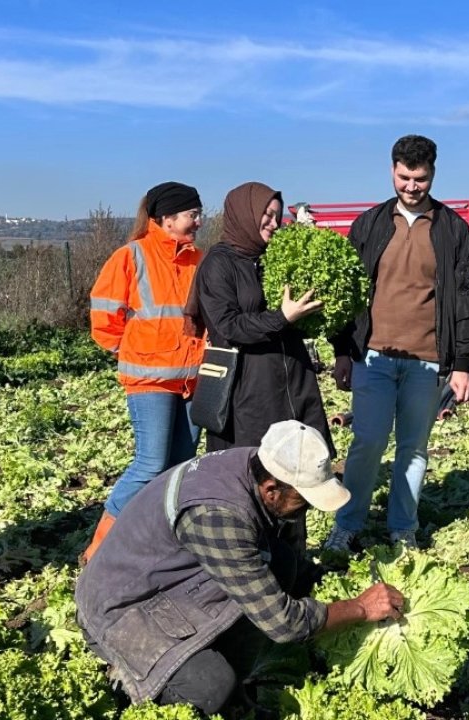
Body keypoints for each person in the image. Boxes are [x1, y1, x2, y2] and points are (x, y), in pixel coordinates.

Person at [75, 420, 404, 715]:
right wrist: (360, 607)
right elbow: (284, 623)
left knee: (283, 563)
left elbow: (283, 571)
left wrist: (333, 580)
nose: (307, 511)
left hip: (161, 579)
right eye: (303, 500)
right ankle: (133, 681)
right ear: (272, 489)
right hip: (119, 611)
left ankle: (234, 684)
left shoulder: (252, 463)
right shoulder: (218, 515)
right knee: (211, 687)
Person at [322, 134, 469, 551]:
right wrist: (342, 351)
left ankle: (402, 527)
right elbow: (348, 291)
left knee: (414, 449)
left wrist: (463, 362)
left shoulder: (451, 230)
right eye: (404, 177)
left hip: (429, 360)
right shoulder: (371, 224)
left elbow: (467, 298)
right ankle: (349, 521)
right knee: (368, 442)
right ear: (392, 171)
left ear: (433, 174)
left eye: (420, 178)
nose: (412, 186)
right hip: (372, 356)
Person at [82, 182, 206, 563]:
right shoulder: (130, 256)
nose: (199, 221)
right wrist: (130, 347)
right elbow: (103, 316)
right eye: (192, 214)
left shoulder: (200, 260)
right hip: (149, 380)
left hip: (192, 379)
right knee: (150, 463)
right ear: (166, 219)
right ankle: (100, 546)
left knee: (180, 468)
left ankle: (157, 542)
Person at [184, 181, 334, 454]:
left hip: (294, 376)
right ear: (245, 213)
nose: (275, 224)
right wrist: (282, 318)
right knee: (255, 468)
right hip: (248, 387)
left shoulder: (275, 256)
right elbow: (228, 326)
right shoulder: (218, 264)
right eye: (267, 216)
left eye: (277, 216)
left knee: (300, 465)